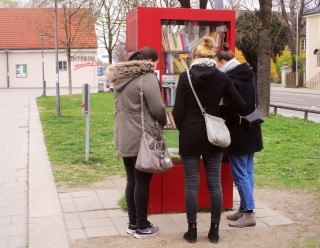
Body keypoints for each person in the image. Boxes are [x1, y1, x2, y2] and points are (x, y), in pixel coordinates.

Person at [172, 36, 246, 244]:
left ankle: (192, 231)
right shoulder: (222, 77)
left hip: (190, 135)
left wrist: (184, 127)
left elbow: (178, 111)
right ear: (213, 56)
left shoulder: (185, 77)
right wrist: (219, 115)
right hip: (214, 136)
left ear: (195, 56)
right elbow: (239, 104)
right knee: (215, 184)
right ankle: (214, 231)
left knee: (191, 185)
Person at [105, 46, 167, 238]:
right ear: (150, 62)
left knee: (132, 180)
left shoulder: (120, 77)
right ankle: (142, 226)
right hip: (143, 136)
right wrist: (165, 121)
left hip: (124, 133)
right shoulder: (147, 77)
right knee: (142, 181)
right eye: (155, 64)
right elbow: (157, 107)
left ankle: (133, 223)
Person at [215, 43, 263, 228]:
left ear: (223, 61)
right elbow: (254, 101)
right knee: (248, 171)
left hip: (238, 130)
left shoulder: (229, 78)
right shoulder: (248, 74)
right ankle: (244, 208)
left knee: (240, 173)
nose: (218, 67)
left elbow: (238, 105)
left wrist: (220, 110)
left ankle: (249, 213)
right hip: (252, 127)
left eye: (218, 64)